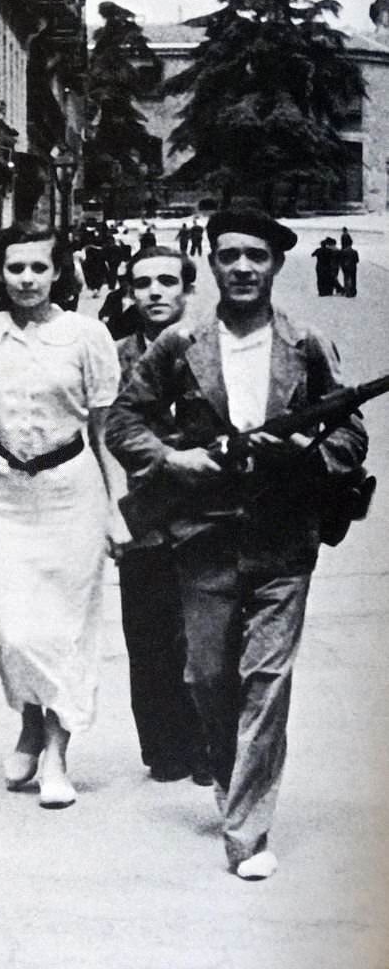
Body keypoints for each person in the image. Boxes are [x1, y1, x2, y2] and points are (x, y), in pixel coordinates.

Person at [105, 207, 368, 880]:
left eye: (257, 256)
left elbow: (350, 435)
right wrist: (175, 461)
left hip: (283, 538)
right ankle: (233, 778)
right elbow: (123, 426)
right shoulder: (178, 346)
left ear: (277, 265)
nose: (244, 267)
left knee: (266, 679)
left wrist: (304, 457)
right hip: (204, 534)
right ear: (213, 264)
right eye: (230, 256)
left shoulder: (306, 343)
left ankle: (247, 833)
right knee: (209, 677)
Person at [0, 224, 120, 810]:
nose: (26, 280)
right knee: (16, 633)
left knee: (64, 629)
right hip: (9, 495)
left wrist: (115, 512)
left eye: (38, 268)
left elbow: (104, 437)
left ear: (59, 272)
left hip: (73, 494)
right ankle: (28, 720)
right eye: (15, 269)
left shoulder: (87, 335)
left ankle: (55, 752)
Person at [106, 247, 210, 785]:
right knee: (146, 633)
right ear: (128, 293)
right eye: (142, 283)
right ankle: (162, 748)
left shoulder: (211, 351)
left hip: (205, 510)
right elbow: (99, 429)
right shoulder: (113, 354)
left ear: (187, 290)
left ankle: (205, 745)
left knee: (205, 632)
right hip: (142, 511)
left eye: (168, 281)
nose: (155, 292)